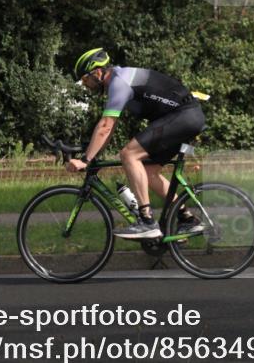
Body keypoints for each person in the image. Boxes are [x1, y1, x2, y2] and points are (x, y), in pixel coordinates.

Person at [66, 48, 206, 240]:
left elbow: (106, 125)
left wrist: (86, 160)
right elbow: (109, 128)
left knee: (129, 155)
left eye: (85, 79)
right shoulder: (120, 78)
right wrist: (92, 154)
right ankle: (187, 219)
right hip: (185, 117)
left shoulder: (119, 82)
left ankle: (147, 222)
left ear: (97, 72)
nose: (85, 85)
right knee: (148, 172)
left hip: (183, 116)